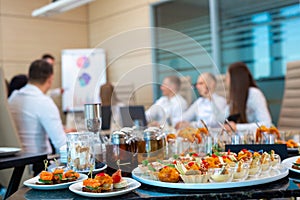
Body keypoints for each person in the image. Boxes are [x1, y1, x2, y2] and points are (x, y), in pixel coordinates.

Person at [8, 60, 67, 156]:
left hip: (16, 162)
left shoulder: (13, 97)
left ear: (28, 76)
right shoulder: (44, 102)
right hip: (39, 164)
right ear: (50, 78)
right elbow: (62, 145)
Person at [225, 62, 272, 131]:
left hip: (260, 138)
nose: (225, 81)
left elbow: (267, 124)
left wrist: (237, 127)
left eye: (227, 77)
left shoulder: (254, 94)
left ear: (235, 79)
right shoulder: (234, 98)